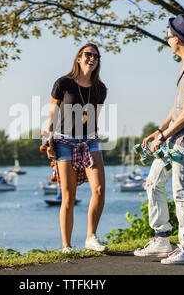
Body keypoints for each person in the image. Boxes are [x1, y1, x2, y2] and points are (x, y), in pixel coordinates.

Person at [133, 14, 184, 265]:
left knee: (181, 192)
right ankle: (162, 239)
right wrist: (159, 131)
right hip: (172, 139)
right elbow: (178, 107)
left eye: (168, 34)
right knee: (154, 183)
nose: (167, 38)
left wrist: (163, 137)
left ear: (176, 39)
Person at [44, 43, 108, 253]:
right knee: (68, 196)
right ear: (79, 58)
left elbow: (95, 118)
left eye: (96, 56)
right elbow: (52, 115)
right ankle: (66, 246)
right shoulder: (62, 83)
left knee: (99, 189)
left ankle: (91, 237)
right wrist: (47, 142)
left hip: (90, 140)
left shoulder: (100, 89)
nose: (92, 58)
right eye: (88, 54)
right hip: (63, 141)